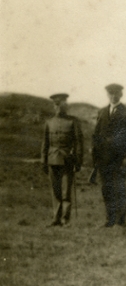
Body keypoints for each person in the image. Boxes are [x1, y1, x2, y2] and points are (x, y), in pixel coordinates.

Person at [92, 83, 126, 227]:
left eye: (116, 93)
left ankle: (120, 220)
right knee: (106, 189)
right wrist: (96, 155)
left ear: (121, 95)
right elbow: (97, 134)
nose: (113, 96)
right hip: (104, 158)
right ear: (107, 95)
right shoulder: (102, 112)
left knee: (119, 189)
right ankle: (109, 219)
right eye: (110, 93)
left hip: (119, 158)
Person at [41, 93, 83, 227]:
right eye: (56, 105)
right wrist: (43, 160)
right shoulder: (49, 122)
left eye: (61, 105)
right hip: (52, 159)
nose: (58, 108)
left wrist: (78, 161)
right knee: (55, 191)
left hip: (67, 160)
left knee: (66, 191)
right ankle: (56, 219)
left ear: (65, 106)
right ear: (54, 106)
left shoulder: (73, 121)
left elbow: (78, 143)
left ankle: (65, 219)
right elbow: (45, 143)